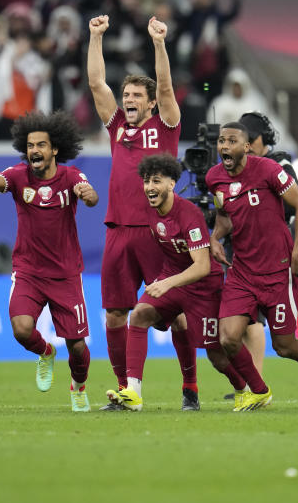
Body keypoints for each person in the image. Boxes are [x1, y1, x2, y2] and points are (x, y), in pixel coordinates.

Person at [87, 13, 199, 410]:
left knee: (177, 314)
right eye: (127, 96)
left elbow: (167, 85)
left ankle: (190, 387)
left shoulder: (166, 125)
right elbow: (96, 83)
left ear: (150, 103)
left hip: (159, 233)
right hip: (117, 230)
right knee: (115, 315)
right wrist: (95, 37)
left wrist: (158, 43)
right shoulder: (116, 125)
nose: (129, 101)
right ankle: (125, 389)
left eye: (137, 96)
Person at [0, 111, 98, 412]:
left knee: (78, 347)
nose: (34, 151)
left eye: (41, 145)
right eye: (30, 145)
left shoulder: (70, 177)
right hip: (28, 272)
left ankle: (78, 387)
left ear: (54, 149)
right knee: (20, 329)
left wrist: (87, 193)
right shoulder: (18, 176)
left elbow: (92, 197)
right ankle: (45, 353)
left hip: (66, 275)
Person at [106, 155, 268, 411]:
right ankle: (133, 393)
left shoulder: (189, 214)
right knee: (139, 315)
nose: (149, 187)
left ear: (172, 184)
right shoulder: (148, 210)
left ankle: (248, 389)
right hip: (174, 280)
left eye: (156, 181)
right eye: (147, 181)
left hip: (204, 287)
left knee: (217, 354)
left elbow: (202, 266)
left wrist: (167, 283)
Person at [207, 122, 298, 411]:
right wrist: (215, 238)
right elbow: (224, 218)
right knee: (228, 338)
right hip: (242, 272)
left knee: (285, 346)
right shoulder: (214, 178)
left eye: (232, 141)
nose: (225, 146)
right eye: (221, 141)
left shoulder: (268, 170)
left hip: (278, 271)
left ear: (247, 146)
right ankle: (260, 390)